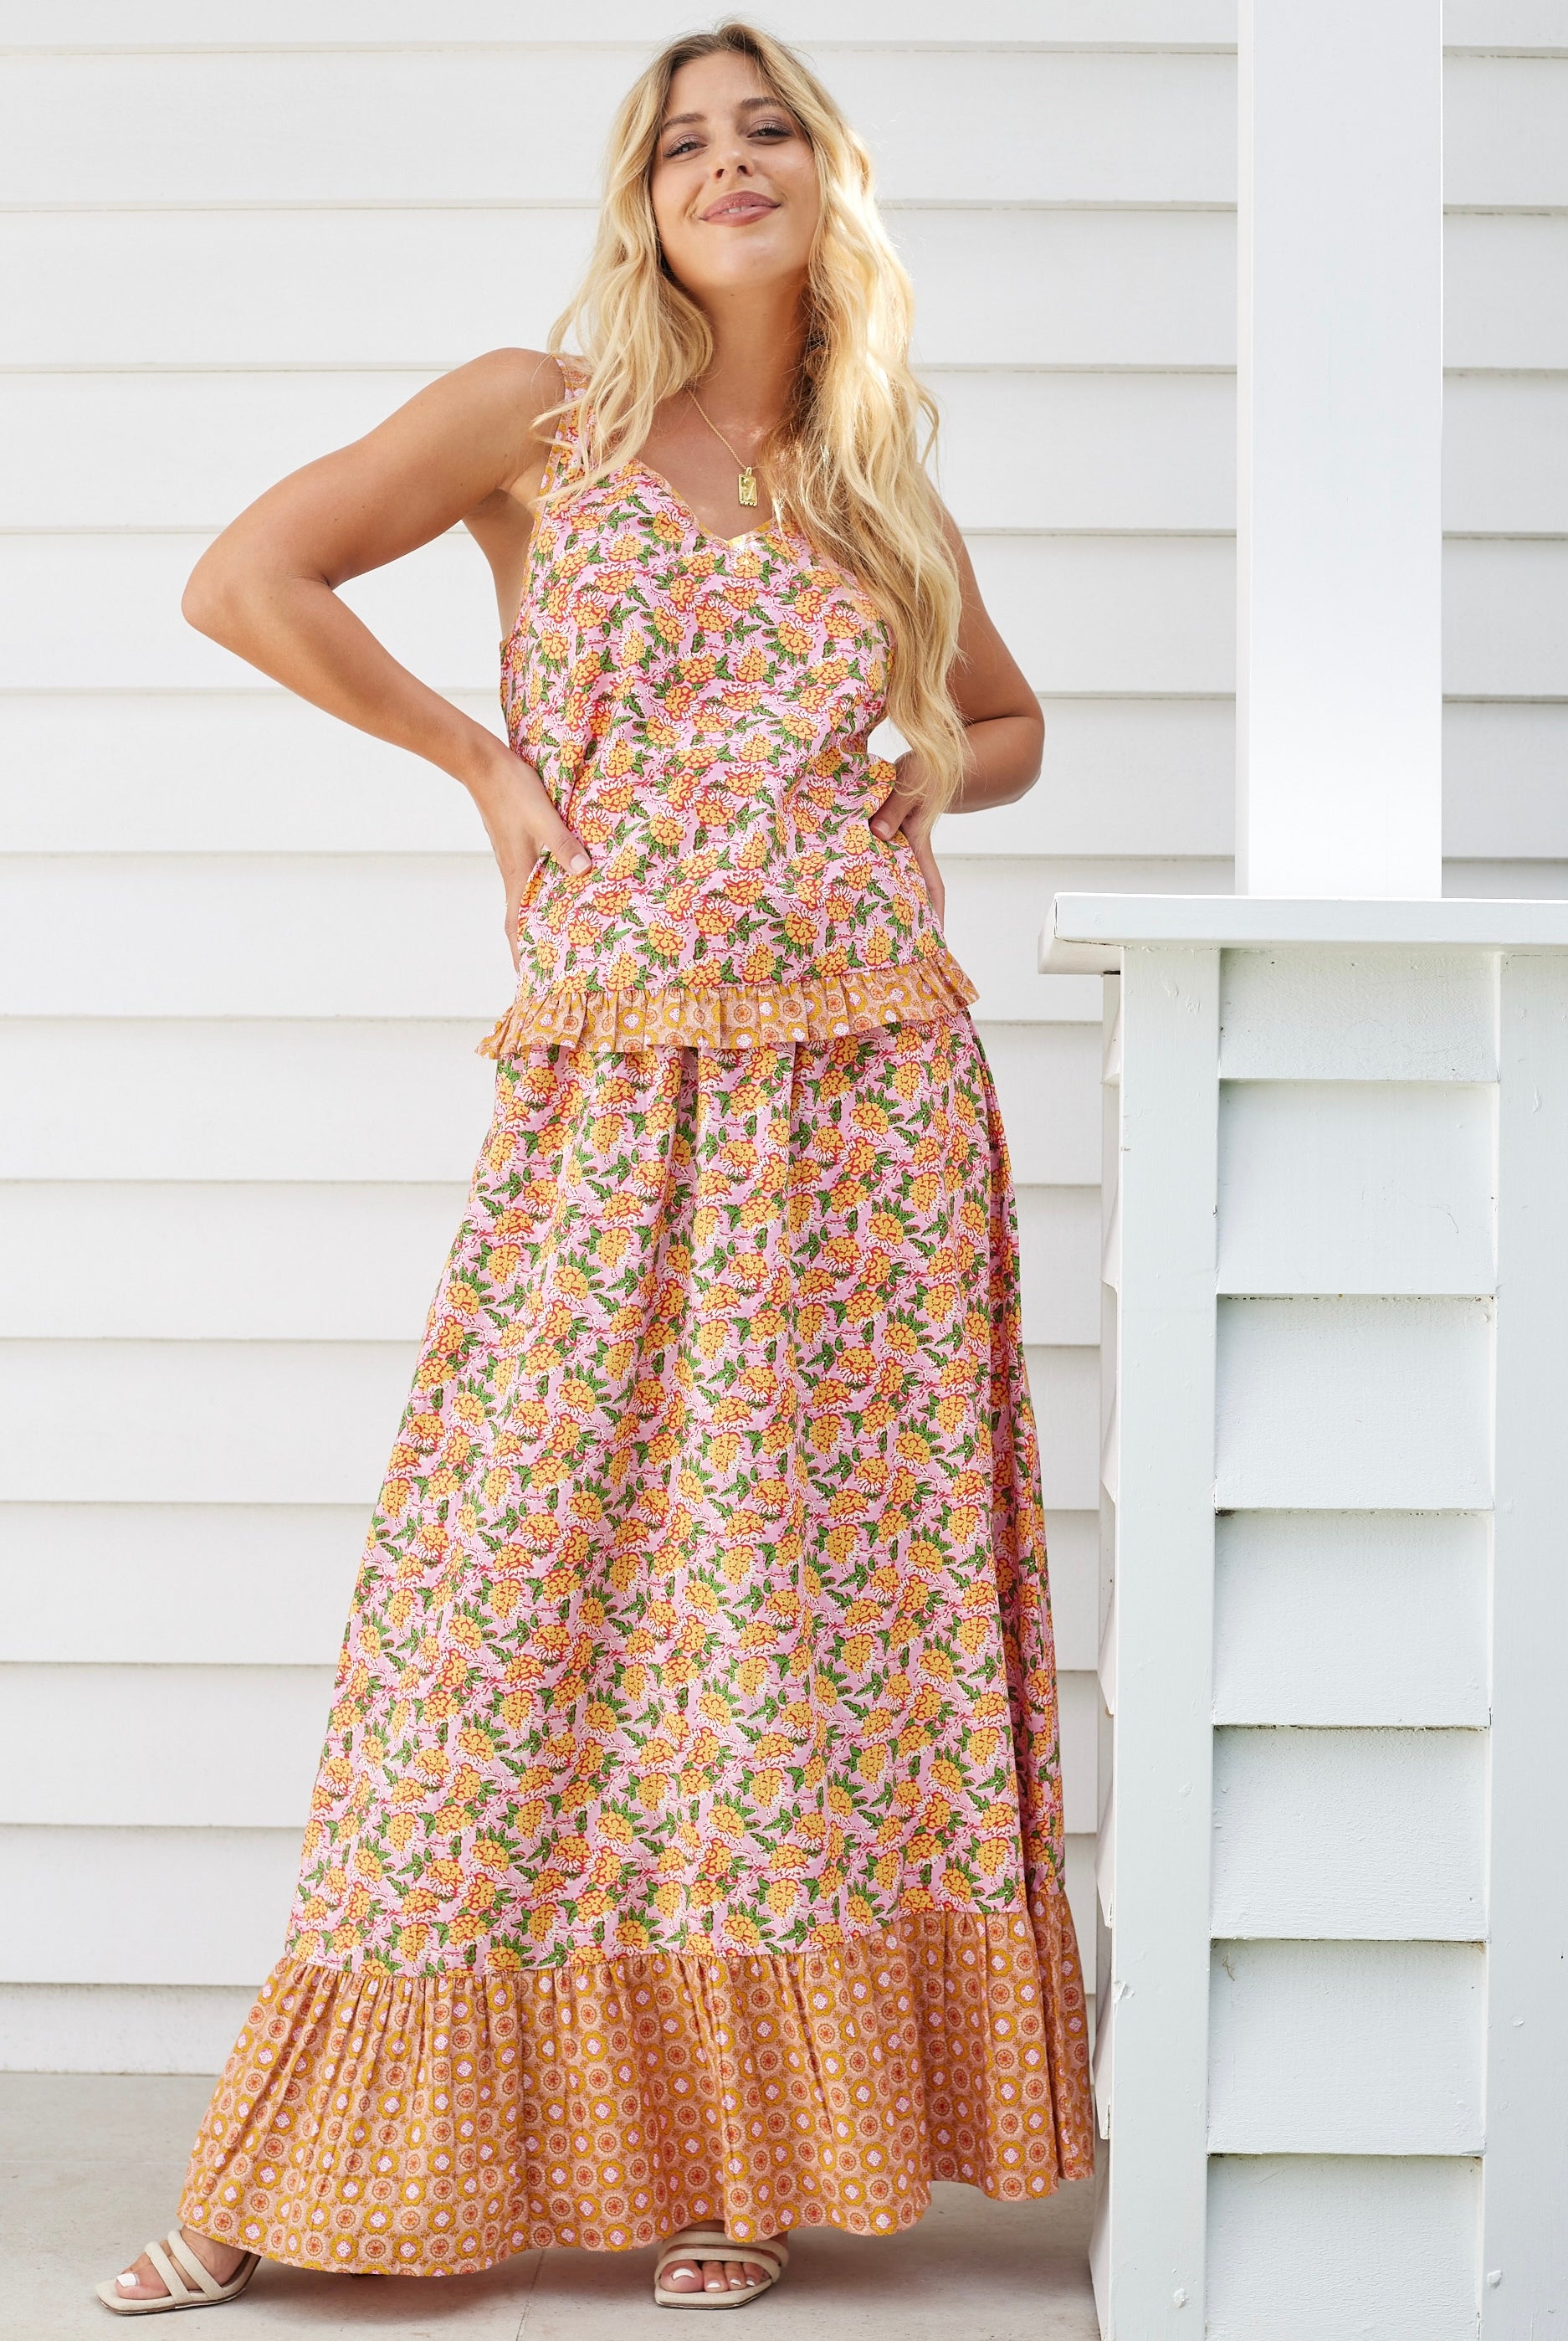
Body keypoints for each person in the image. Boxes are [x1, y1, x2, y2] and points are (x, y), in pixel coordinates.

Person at [97, 19, 1093, 2318]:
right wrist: (473, 760)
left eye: (767, 132)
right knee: (489, 1612)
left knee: (780, 1634)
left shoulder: (866, 474)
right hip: (614, 1092)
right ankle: (290, 2178)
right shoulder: (527, 411)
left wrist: (919, 758)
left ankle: (730, 2164)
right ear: (637, 197)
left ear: (829, 182)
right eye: (682, 142)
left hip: (867, 1110)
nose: (725, 165)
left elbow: (1015, 721)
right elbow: (246, 579)